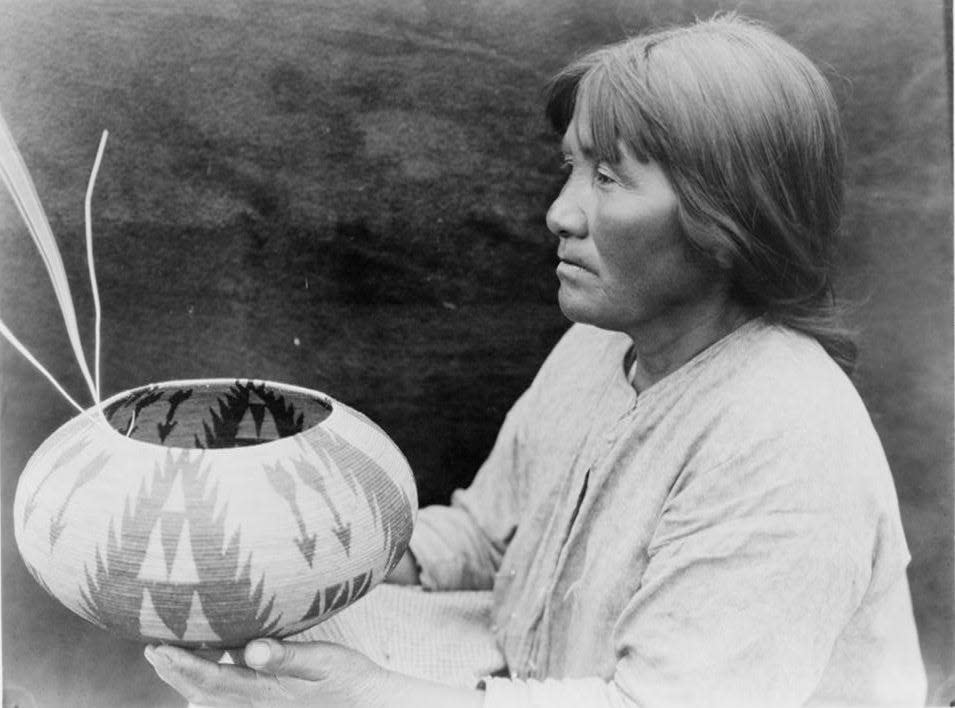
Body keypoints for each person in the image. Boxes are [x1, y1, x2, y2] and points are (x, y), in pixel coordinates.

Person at [145, 13, 927, 707]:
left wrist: (367, 698)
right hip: (525, 668)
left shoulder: (787, 436)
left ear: (728, 219)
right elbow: (489, 538)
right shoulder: (600, 344)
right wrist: (307, 564)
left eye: (609, 177)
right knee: (255, 666)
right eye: (572, 168)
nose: (559, 211)